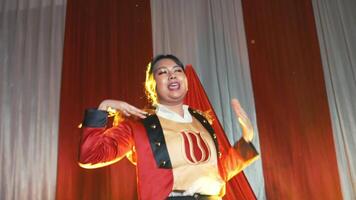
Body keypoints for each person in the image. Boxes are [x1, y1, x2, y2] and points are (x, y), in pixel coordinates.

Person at [79, 54, 259, 200]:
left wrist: (247, 139)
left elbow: (218, 172)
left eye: (177, 70)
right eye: (162, 72)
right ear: (152, 85)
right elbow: (90, 156)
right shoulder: (139, 125)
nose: (172, 74)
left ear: (186, 82)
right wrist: (104, 107)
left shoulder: (202, 121)